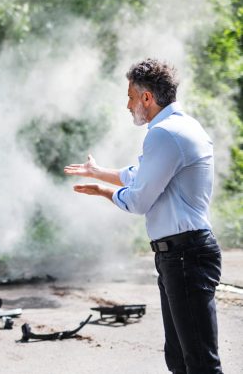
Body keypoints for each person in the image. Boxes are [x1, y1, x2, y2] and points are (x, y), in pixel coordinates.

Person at [64, 58, 223, 374]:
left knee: (200, 364)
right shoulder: (180, 127)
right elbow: (140, 175)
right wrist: (99, 173)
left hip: (185, 256)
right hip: (178, 255)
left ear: (147, 98)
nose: (127, 105)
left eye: (130, 96)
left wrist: (103, 192)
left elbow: (138, 200)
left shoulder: (164, 134)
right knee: (180, 359)